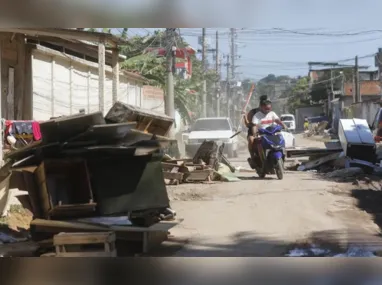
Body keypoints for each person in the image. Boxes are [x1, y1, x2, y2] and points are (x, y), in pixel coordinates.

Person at [243, 95, 268, 161]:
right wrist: (244, 116)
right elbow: (248, 124)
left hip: (267, 133)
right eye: (263, 105)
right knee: (251, 140)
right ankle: (252, 157)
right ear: (260, 105)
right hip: (254, 133)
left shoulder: (269, 113)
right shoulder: (253, 112)